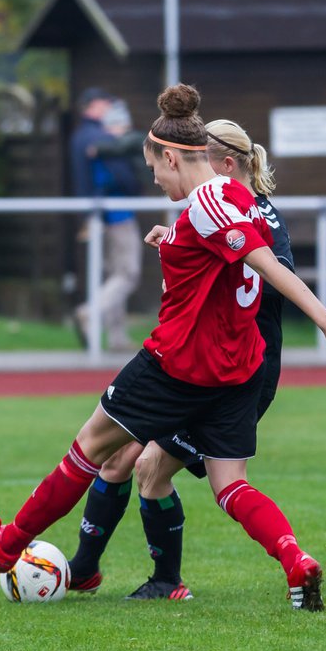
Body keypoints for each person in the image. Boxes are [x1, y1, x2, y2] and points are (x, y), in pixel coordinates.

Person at [0, 84, 326, 612]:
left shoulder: (204, 203)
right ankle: (295, 560)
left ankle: (5, 546)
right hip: (236, 372)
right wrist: (173, 240)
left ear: (172, 157)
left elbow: (264, 264)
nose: (153, 178)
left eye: (153, 166)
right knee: (230, 486)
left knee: (88, 448)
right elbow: (221, 249)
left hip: (177, 366)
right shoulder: (236, 195)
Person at [65, 117, 293, 602]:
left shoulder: (250, 215)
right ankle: (87, 569)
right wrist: (176, 243)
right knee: (123, 458)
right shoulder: (220, 207)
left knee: (147, 466)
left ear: (225, 164)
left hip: (230, 371)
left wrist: (323, 317)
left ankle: (163, 581)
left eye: (200, 159)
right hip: (203, 362)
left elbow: (263, 275)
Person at [69, 88, 143, 351]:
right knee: (128, 274)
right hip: (116, 213)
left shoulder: (81, 136)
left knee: (115, 274)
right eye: (105, 103)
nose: (109, 108)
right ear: (92, 106)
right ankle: (91, 312)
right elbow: (120, 176)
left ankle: (117, 337)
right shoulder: (99, 136)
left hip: (99, 215)